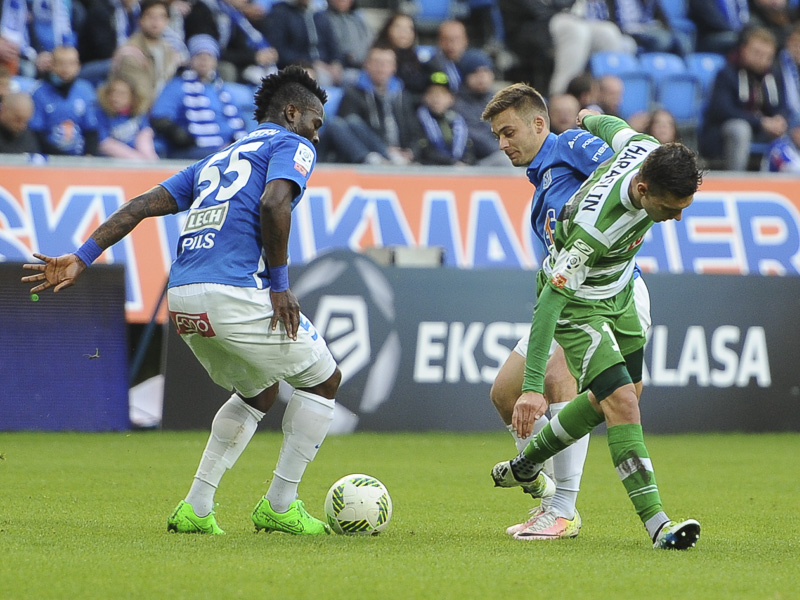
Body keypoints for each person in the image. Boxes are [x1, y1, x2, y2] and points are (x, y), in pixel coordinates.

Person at [22, 65, 342, 537]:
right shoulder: (290, 145)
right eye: (315, 123)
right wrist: (279, 284)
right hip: (233, 290)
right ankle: (280, 503)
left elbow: (139, 205)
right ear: (292, 113)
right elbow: (275, 204)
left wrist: (84, 255)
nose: (317, 136)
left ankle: (196, 506)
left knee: (259, 391)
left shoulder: (216, 160)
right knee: (325, 379)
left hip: (185, 297)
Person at [489, 107, 704, 550]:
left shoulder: (645, 149)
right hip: (578, 308)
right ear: (644, 190)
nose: (677, 218)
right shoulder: (595, 229)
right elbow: (550, 300)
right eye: (670, 208)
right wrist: (532, 387)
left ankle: (528, 462)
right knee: (622, 403)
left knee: (622, 396)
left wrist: (591, 115)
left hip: (621, 292)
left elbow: (615, 129)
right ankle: (657, 525)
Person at [481, 83, 636, 540]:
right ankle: (548, 492)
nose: (503, 144)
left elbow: (624, 176)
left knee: (556, 378)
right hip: (563, 295)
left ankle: (564, 508)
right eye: (497, 136)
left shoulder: (569, 145)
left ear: (539, 124)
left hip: (599, 297)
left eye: (509, 132)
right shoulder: (540, 184)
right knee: (505, 395)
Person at [700, 26, 788, 171]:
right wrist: (761, 122)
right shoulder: (727, 73)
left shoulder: (774, 75)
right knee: (740, 129)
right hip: (722, 132)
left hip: (762, 130)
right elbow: (723, 110)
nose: (761, 59)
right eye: (756, 53)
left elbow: (782, 106)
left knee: (789, 129)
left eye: (767, 56)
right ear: (744, 49)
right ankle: (736, 178)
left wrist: (779, 119)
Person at [150, 34, 247, 160]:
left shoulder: (221, 90)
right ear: (191, 59)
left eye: (209, 56)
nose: (204, 60)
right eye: (199, 56)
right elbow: (160, 117)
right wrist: (182, 136)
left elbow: (238, 121)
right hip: (191, 150)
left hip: (224, 149)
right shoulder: (177, 86)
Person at [318, 45, 419, 165]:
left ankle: (392, 158)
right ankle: (377, 158)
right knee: (351, 121)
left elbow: (416, 131)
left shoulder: (403, 96)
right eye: (376, 63)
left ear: (394, 67)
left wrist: (411, 151)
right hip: (370, 153)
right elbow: (347, 131)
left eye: (386, 63)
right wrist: (386, 149)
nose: (381, 68)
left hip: (402, 155)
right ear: (366, 65)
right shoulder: (353, 94)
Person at [29, 45, 100, 156]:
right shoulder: (39, 93)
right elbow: (36, 133)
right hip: (49, 158)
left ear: (78, 66)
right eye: (61, 63)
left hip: (80, 159)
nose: (65, 68)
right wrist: (60, 158)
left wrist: (89, 156)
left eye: (71, 63)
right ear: (52, 65)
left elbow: (91, 130)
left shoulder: (86, 90)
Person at [414, 71, 474, 166]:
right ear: (425, 97)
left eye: (442, 94)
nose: (436, 98)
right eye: (432, 93)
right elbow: (425, 151)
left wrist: (466, 162)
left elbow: (469, 149)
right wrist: (452, 163)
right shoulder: (417, 119)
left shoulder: (457, 121)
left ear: (451, 99)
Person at [96, 75, 159, 160]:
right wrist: (135, 159)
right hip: (114, 164)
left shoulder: (138, 114)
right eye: (113, 92)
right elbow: (105, 143)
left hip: (141, 162)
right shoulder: (101, 115)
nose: (116, 97)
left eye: (122, 93)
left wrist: (150, 159)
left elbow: (145, 133)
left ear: (133, 97)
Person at [0, 89, 40, 153]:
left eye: (25, 121)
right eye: (17, 120)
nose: (22, 126)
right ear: (3, 110)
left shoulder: (28, 138)